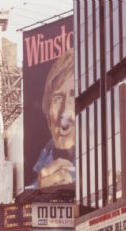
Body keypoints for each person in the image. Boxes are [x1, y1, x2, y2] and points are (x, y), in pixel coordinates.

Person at [33, 49, 75, 189]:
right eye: (57, 99)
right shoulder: (40, 170)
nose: (64, 112)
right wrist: (39, 193)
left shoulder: (110, 159)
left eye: (73, 97)